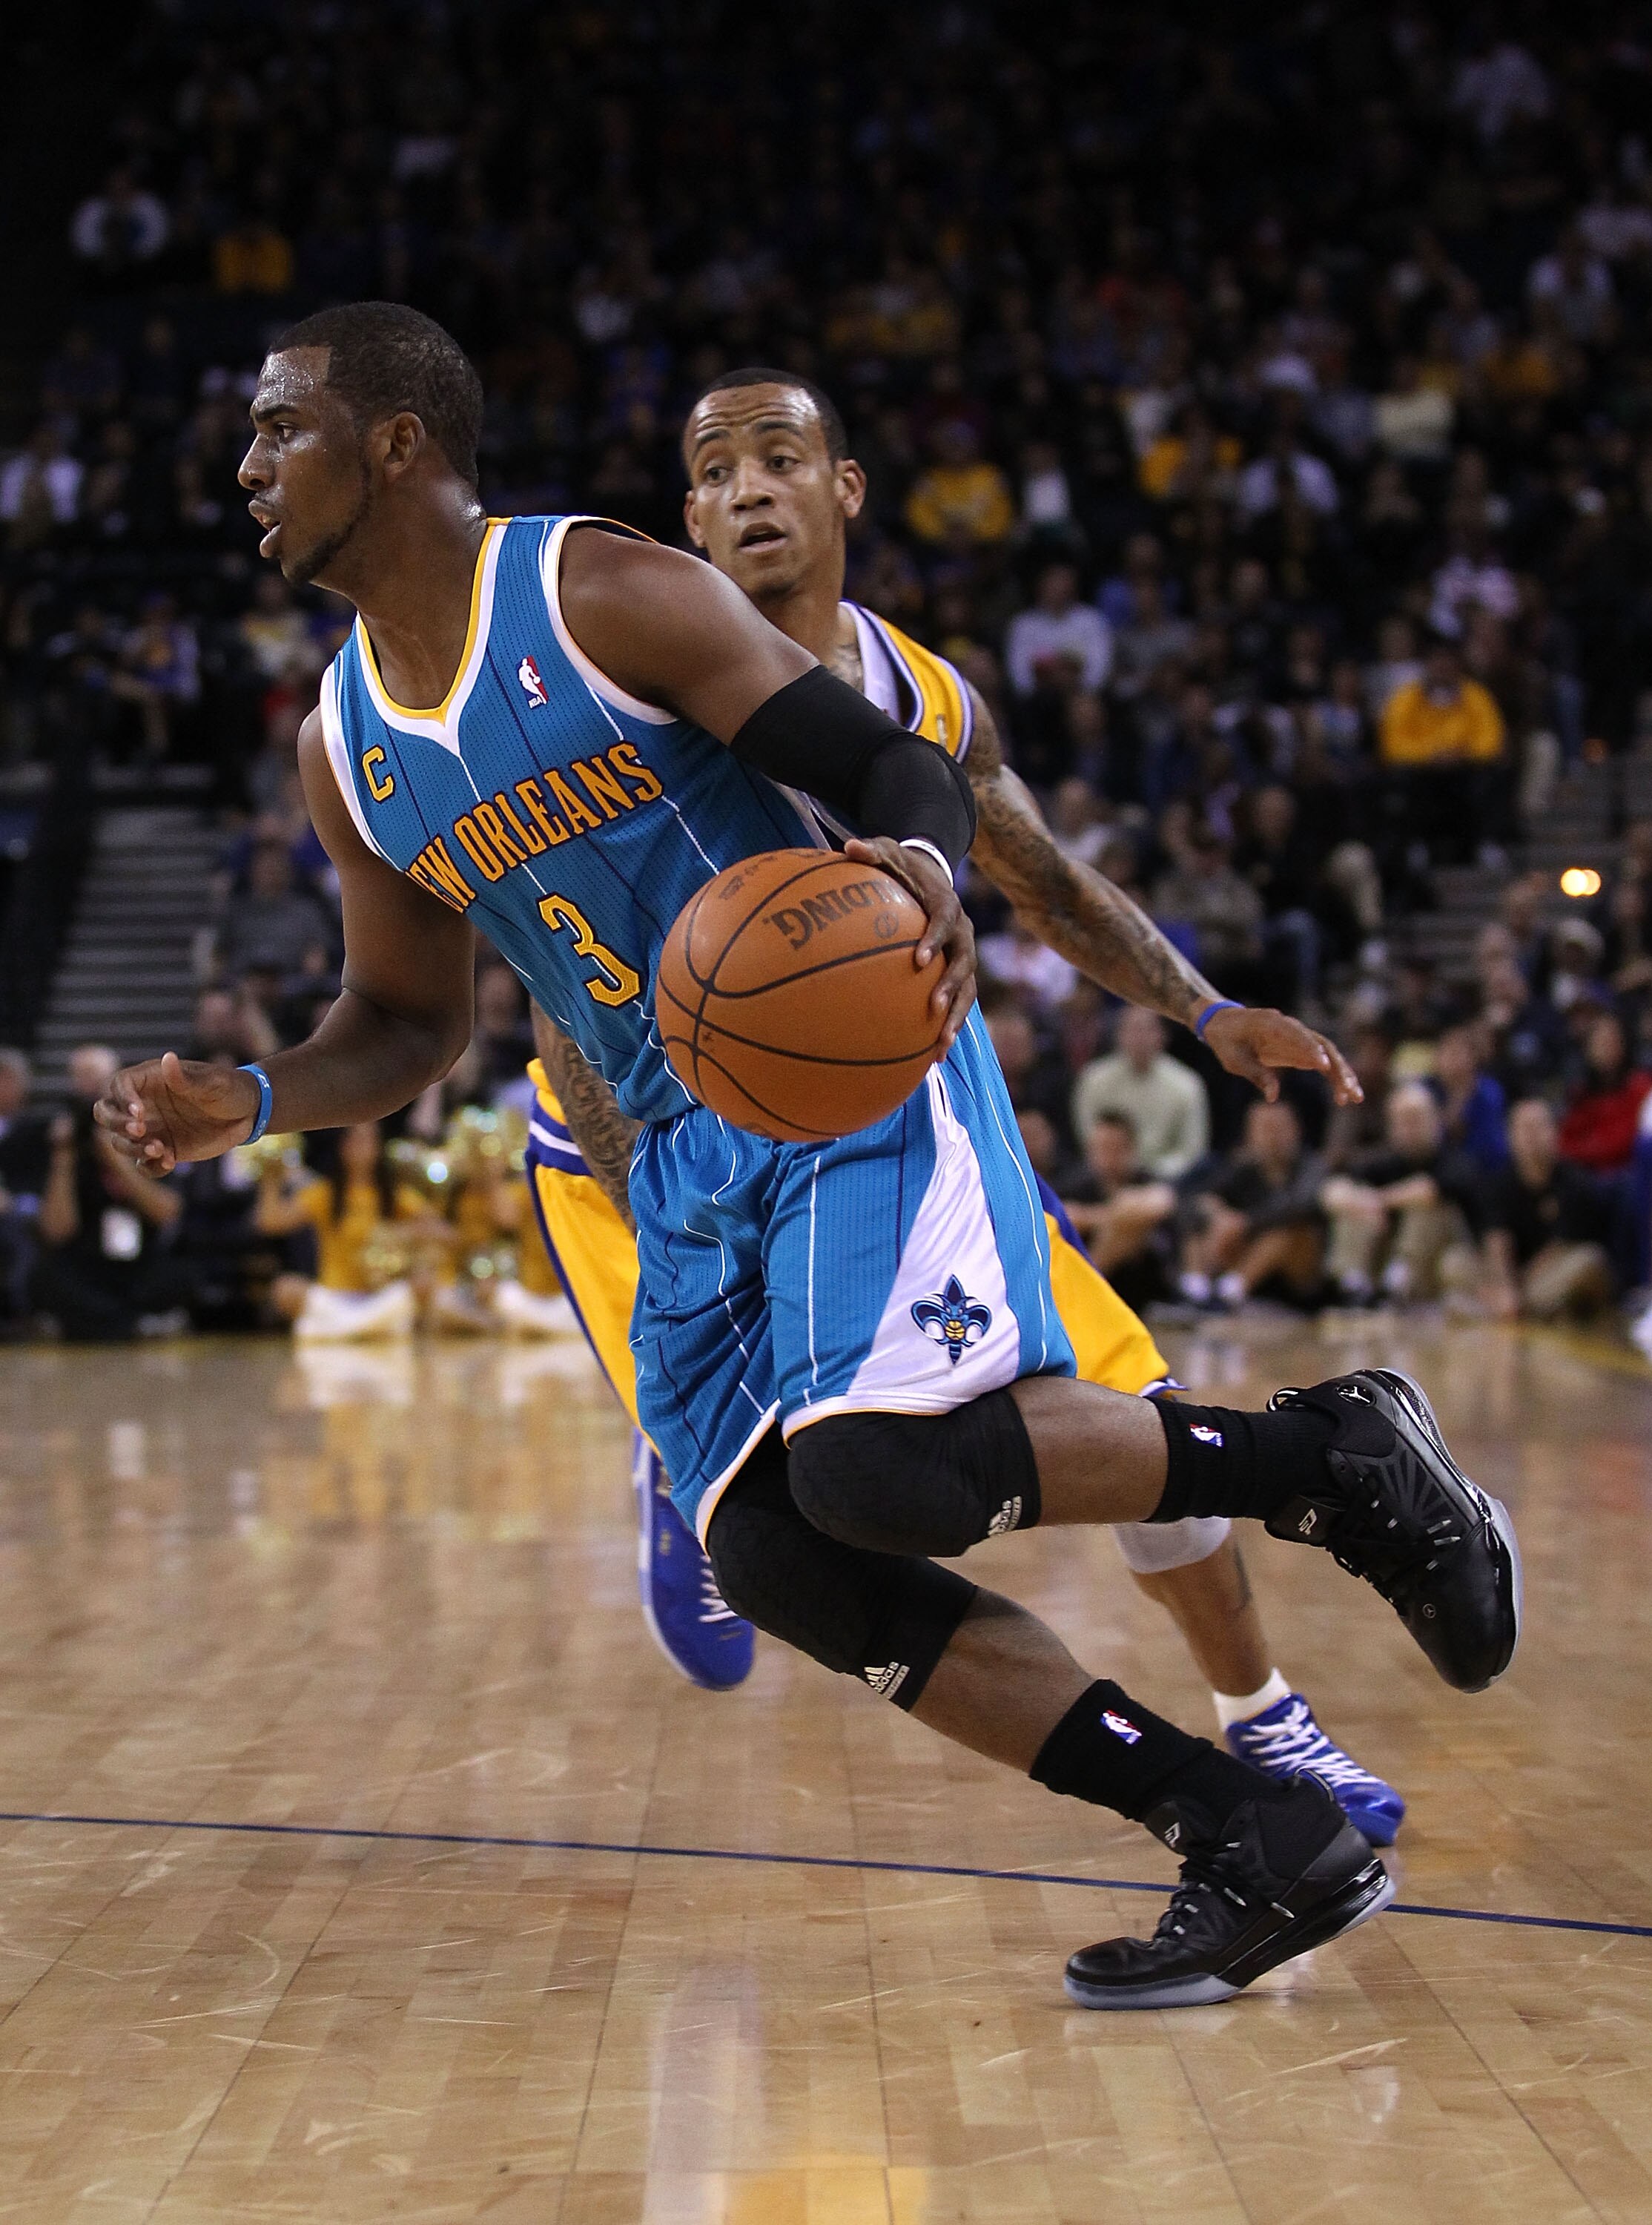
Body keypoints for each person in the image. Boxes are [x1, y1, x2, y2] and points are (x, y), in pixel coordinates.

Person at [97, 306, 1517, 2011]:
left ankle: (1323, 1452)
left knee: (880, 1466)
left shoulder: (595, 593)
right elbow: (405, 1026)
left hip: (849, 1070)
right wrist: (246, 1098)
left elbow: (888, 760)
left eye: (279, 431)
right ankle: (1245, 1829)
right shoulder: (343, 742)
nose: (247, 467)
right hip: (674, 1147)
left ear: (396, 444)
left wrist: (919, 871)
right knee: (775, 1551)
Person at [1319, 1083, 1484, 1308]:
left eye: (1416, 1118)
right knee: (1355, 1206)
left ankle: (1398, 1283)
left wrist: (1376, 1201)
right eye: (1402, 1120)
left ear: (1436, 1119)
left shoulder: (1457, 1161)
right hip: (1384, 1260)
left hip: (1443, 1266)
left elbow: (1427, 1190)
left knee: (1427, 1209)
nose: (1410, 1128)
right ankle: (1353, 1286)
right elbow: (1331, 1191)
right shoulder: (1382, 1162)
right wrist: (1361, 1203)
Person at [1182, 1099, 1329, 1311]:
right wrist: (1218, 1214)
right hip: (1245, 1255)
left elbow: (1303, 1206)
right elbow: (1198, 1198)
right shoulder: (1241, 1168)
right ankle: (1195, 1289)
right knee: (1207, 1219)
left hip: (1301, 1277)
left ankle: (1231, 1293)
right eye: (1264, 1129)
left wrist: (1245, 1223)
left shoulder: (1311, 1167)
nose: (1272, 1137)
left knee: (1287, 1233)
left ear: (1296, 1130)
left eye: (1278, 1128)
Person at [1482, 1098, 1615, 1322]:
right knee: (1457, 1262)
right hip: (1519, 1278)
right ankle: (1516, 1307)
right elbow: (1497, 1238)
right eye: (1523, 1128)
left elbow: (1560, 1248)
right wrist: (1506, 1285)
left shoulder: (1575, 1182)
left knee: (1590, 1260)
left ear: (1554, 1133)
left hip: (1557, 1273)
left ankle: (1506, 1309)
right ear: (1510, 1136)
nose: (1530, 1136)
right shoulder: (1500, 1183)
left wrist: (1517, 1291)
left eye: (1537, 1127)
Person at [1071, 1006, 1210, 1182]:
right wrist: (1114, 1164)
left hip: (1165, 1180)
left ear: (1163, 1036)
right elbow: (1087, 1135)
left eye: (1147, 1030)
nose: (1139, 1038)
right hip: (1103, 1174)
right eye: (1132, 1029)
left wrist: (1151, 1173)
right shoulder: (1094, 1079)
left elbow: (1192, 1150)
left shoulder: (1187, 1084)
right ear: (1118, 1035)